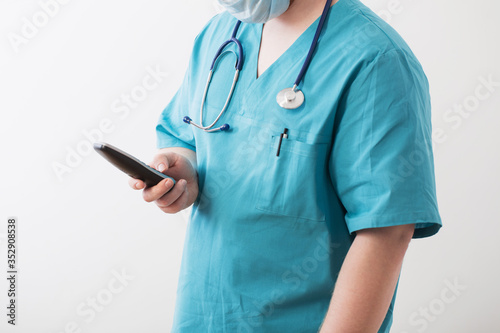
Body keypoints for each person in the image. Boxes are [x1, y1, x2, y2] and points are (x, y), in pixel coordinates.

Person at [129, 0, 442, 331]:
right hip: (203, 314)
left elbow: (386, 232)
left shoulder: (375, 59)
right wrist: (184, 171)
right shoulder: (220, 35)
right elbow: (189, 137)